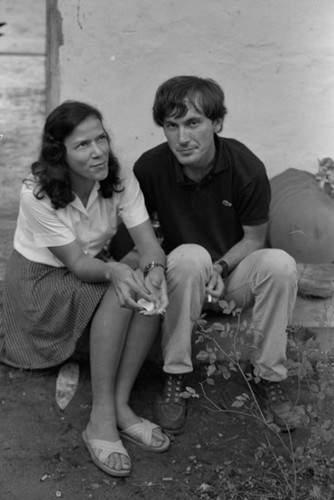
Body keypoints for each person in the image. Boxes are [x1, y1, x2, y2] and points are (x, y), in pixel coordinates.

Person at [0, 101, 170, 478]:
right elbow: (77, 264)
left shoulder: (118, 177)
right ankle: (101, 418)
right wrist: (117, 271)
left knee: (143, 281)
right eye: (82, 145)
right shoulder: (37, 193)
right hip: (41, 283)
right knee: (121, 285)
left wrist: (155, 269)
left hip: (87, 270)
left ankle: (121, 406)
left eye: (101, 139)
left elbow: (149, 245)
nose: (98, 152)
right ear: (60, 152)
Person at [131, 75, 299, 434]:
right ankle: (176, 376)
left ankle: (270, 377)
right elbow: (137, 235)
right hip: (181, 278)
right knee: (190, 256)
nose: (182, 138)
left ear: (217, 122)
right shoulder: (150, 167)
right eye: (171, 125)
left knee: (281, 264)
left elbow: (255, 239)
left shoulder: (245, 167)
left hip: (230, 281)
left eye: (193, 123)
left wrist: (222, 267)